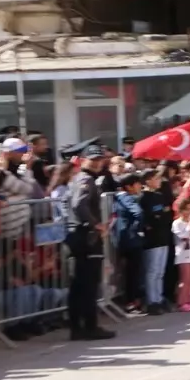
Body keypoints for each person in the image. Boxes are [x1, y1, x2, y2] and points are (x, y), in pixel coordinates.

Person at [66, 145, 115, 341]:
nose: (96, 163)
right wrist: (96, 225)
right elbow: (79, 205)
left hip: (80, 235)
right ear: (82, 160)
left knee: (80, 284)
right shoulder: (85, 179)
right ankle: (89, 326)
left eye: (99, 159)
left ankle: (78, 328)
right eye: (92, 159)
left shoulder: (82, 179)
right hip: (86, 237)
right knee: (88, 284)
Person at [112, 173, 146, 313]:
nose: (140, 186)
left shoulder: (120, 198)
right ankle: (131, 302)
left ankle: (132, 301)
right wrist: (137, 229)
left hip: (124, 239)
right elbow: (138, 213)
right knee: (133, 273)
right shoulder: (126, 197)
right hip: (130, 241)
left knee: (130, 272)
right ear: (129, 186)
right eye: (137, 184)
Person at [140, 169, 173, 314]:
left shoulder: (159, 196)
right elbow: (152, 217)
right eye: (156, 178)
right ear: (147, 180)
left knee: (160, 271)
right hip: (152, 238)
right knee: (152, 271)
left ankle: (159, 298)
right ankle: (151, 300)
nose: (159, 181)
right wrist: (161, 215)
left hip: (163, 236)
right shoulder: (144, 197)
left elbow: (167, 214)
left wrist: (163, 215)